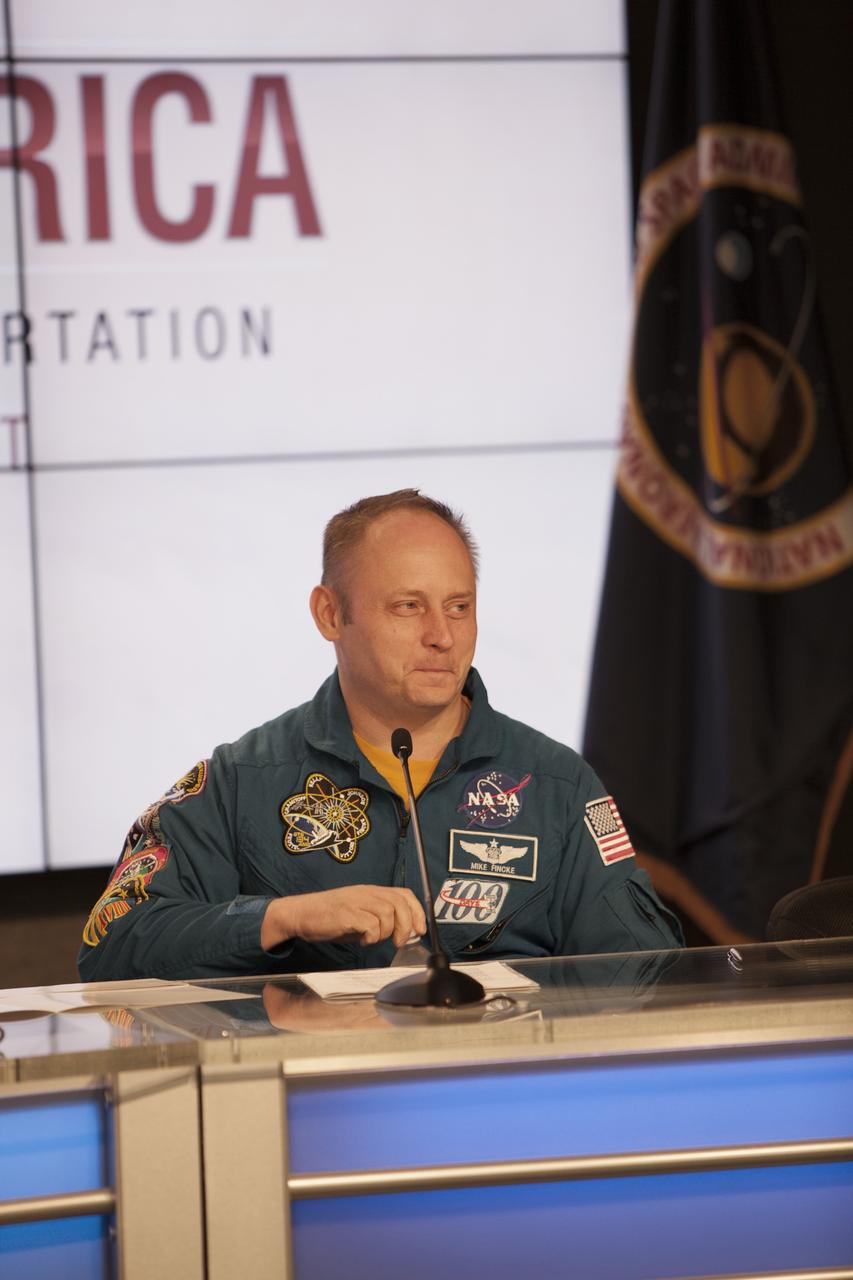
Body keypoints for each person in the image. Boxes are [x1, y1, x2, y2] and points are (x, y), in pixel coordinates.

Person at [78, 490, 682, 982]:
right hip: (308, 1090)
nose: (442, 636)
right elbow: (111, 947)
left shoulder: (557, 785)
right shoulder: (242, 780)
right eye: (408, 607)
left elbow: (646, 979)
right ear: (330, 615)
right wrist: (281, 918)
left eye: (459, 606)